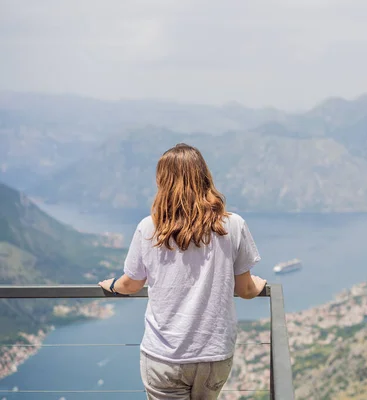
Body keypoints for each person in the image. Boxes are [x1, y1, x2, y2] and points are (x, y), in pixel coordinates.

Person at [99, 143, 267, 400]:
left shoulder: (149, 228)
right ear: (204, 177)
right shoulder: (233, 225)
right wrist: (258, 284)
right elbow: (244, 289)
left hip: (164, 355)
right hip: (214, 354)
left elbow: (131, 284)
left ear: (162, 181)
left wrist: (111, 285)